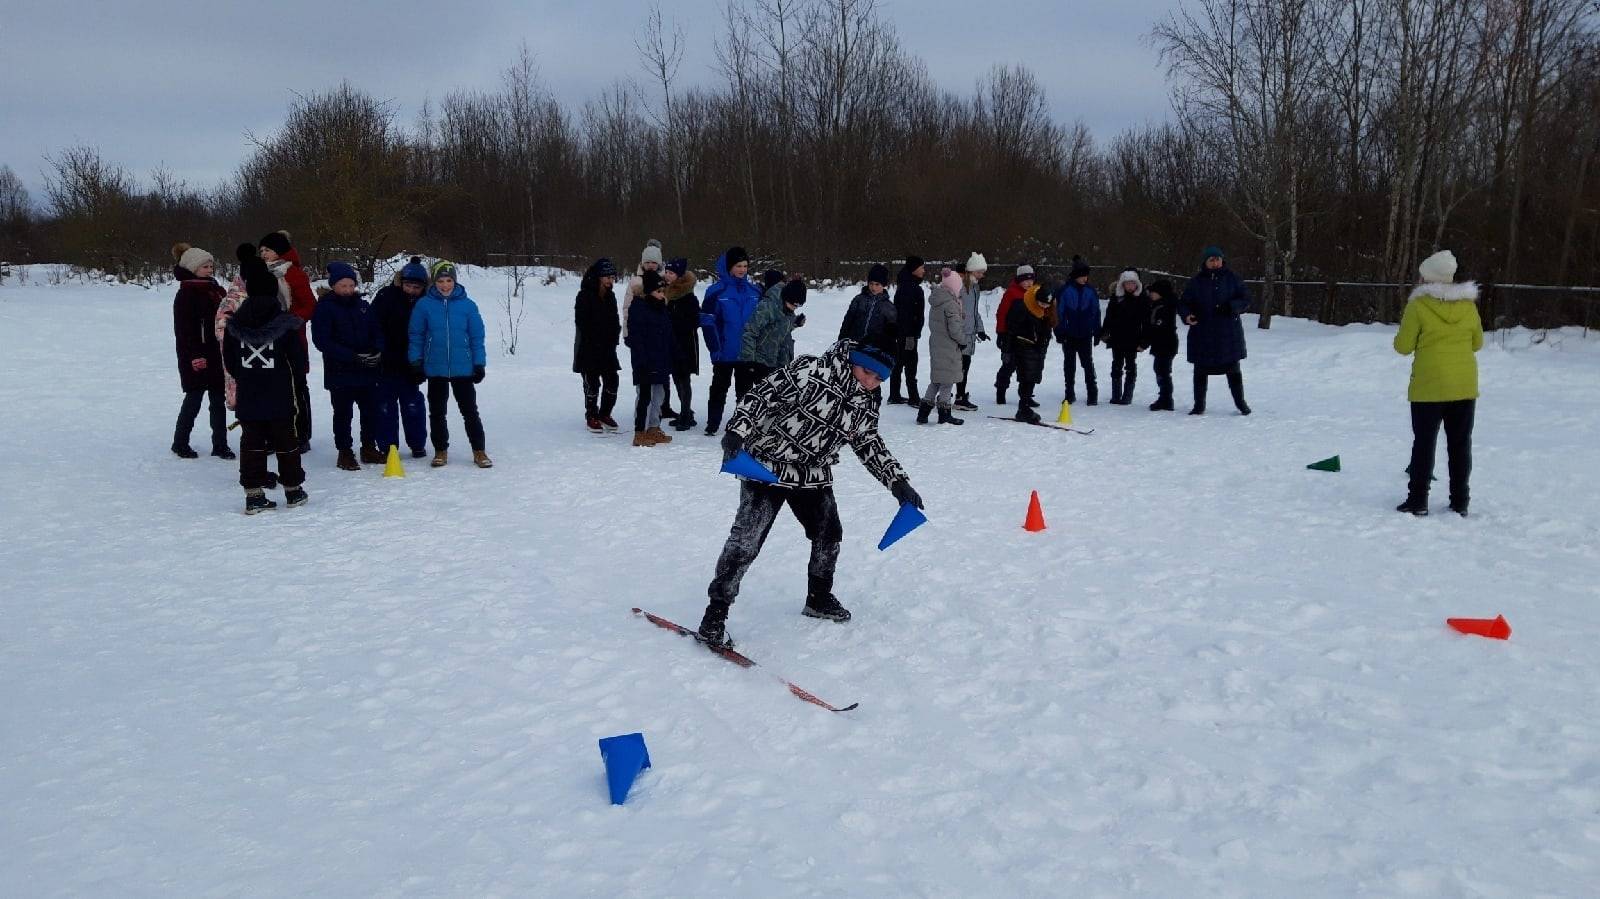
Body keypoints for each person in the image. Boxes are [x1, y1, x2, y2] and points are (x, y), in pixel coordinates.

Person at [697, 340, 923, 649]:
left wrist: (898, 483)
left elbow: (868, 441)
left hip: (811, 473)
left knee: (829, 534)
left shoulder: (867, 401)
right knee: (746, 540)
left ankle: (818, 597)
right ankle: (715, 615)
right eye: (867, 372)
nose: (871, 382)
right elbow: (761, 396)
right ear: (852, 361)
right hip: (767, 463)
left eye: (878, 379)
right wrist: (737, 430)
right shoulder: (811, 371)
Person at [1394, 250, 1482, 516]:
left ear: (1427, 277)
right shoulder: (1468, 305)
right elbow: (1477, 343)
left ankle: (1418, 500)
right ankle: (1460, 502)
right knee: (1460, 444)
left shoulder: (1418, 306)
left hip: (1428, 386)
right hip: (1464, 386)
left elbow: (1403, 346)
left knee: (1424, 443)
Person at [222, 243, 308, 514]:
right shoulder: (284, 324)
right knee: (286, 442)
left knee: (252, 444)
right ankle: (293, 490)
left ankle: (254, 494)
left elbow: (231, 361)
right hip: (279, 395)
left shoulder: (235, 325)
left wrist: (246, 377)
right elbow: (296, 360)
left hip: (249, 395)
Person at [408, 260, 491, 468]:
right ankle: (440, 450)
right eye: (440, 281)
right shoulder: (424, 305)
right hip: (435, 368)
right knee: (437, 412)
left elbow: (476, 337)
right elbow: (416, 335)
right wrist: (416, 361)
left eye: (448, 280)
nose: (445, 285)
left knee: (470, 411)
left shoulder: (468, 305)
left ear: (454, 280)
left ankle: (479, 450)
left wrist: (479, 363)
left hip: (463, 368)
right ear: (434, 282)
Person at [312, 262, 383, 470]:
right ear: (334, 286)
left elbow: (377, 330)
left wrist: (377, 350)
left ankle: (369, 447)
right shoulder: (325, 307)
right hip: (340, 372)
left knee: (370, 411)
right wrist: (352, 356)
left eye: (351, 285)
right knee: (343, 414)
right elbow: (322, 341)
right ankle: (344, 451)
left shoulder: (363, 305)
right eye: (343, 285)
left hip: (367, 370)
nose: (348, 290)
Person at [170, 242, 233, 460]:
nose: (210, 269)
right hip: (195, 355)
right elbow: (184, 330)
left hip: (216, 353)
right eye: (205, 266)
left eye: (210, 266)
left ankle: (220, 444)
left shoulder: (214, 289)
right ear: (192, 268)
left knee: (218, 400)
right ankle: (180, 442)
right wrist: (195, 355)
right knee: (194, 399)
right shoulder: (187, 294)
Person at [257, 230, 317, 451]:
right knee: (271, 387)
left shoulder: (294, 274)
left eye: (268, 250)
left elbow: (309, 304)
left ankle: (301, 434)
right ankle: (274, 435)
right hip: (266, 338)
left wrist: (291, 321)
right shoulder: (258, 273)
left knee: (297, 386)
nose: (263, 254)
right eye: (261, 250)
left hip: (291, 337)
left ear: (280, 252)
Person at [1177, 246, 1252, 415]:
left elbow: (1246, 299)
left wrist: (1232, 307)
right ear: (1205, 262)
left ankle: (1241, 403)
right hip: (1203, 333)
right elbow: (1183, 303)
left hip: (1228, 333)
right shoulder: (1196, 282)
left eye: (1217, 259)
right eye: (1211, 260)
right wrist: (1187, 315)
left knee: (1233, 371)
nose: (1215, 262)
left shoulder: (1233, 278)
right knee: (1200, 372)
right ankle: (1199, 405)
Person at [369, 257, 430, 458]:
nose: (411, 290)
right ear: (401, 282)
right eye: (408, 285)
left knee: (413, 405)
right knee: (385, 406)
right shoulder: (386, 296)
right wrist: (378, 350)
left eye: (416, 287)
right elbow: (373, 324)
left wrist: (422, 363)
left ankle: (417, 443)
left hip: (411, 364)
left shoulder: (426, 303)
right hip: (386, 361)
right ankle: (388, 446)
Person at [699, 246, 763, 435]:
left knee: (745, 391)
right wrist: (714, 348)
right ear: (728, 267)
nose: (742, 270)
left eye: (745, 265)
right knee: (719, 388)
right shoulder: (716, 291)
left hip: (747, 352)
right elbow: (707, 322)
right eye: (738, 266)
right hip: (724, 351)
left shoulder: (755, 291)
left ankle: (741, 426)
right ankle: (712, 424)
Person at [626, 270, 678, 447]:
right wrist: (641, 361)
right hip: (646, 362)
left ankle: (654, 427)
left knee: (659, 396)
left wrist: (672, 354)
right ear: (648, 291)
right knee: (645, 397)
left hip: (661, 361)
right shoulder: (638, 308)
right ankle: (640, 431)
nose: (662, 295)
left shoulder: (662, 309)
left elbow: (668, 335)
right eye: (658, 291)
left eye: (663, 291)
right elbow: (636, 338)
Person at [573, 257, 623, 433]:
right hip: (589, 348)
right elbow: (582, 322)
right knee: (592, 384)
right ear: (598, 277)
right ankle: (592, 415)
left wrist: (614, 338)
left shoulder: (611, 296)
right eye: (607, 277)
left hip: (608, 349)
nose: (611, 281)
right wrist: (596, 339)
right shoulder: (585, 295)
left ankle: (605, 413)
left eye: (612, 277)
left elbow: (615, 319)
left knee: (612, 382)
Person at [918, 267, 968, 425]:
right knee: (947, 382)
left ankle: (923, 413)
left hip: (937, 344)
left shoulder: (937, 301)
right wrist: (963, 340)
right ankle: (944, 414)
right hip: (948, 347)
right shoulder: (951, 304)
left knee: (936, 380)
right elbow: (954, 329)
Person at [1006, 280, 1057, 423]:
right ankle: (1023, 408)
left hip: (1038, 348)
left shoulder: (1048, 308)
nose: (1044, 306)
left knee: (1033, 376)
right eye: (1042, 304)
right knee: (1026, 377)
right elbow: (1012, 327)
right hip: (1023, 345)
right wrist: (1007, 349)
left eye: (1047, 304)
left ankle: (1025, 405)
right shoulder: (1022, 306)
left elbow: (1048, 326)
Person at [739, 277, 807, 382]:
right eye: (794, 304)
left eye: (799, 305)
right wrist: (749, 360)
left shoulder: (788, 310)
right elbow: (750, 332)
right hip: (760, 362)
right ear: (786, 297)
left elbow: (778, 330)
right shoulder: (767, 307)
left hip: (778, 362)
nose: (795, 307)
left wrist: (795, 323)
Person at [1054, 259, 1101, 406]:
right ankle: (1069, 393)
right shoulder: (1065, 291)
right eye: (1082, 276)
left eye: (1086, 276)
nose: (1084, 278)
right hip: (1069, 334)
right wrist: (1059, 331)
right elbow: (1058, 313)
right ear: (1075, 276)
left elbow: (1095, 312)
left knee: (1087, 364)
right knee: (1069, 365)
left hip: (1085, 334)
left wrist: (1097, 331)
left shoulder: (1090, 291)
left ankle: (1092, 393)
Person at [663, 258, 701, 431]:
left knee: (684, 378)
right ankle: (686, 412)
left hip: (685, 343)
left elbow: (693, 320)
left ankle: (686, 414)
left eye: (671, 273)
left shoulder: (688, 297)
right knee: (676, 377)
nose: (667, 275)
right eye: (667, 272)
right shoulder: (666, 292)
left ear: (678, 276)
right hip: (672, 342)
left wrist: (675, 322)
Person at [1101, 269, 1147, 405]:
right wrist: (1104, 332)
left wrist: (1144, 342)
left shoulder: (1141, 299)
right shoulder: (1116, 298)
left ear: (1137, 284)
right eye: (1127, 283)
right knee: (1116, 365)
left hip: (1133, 339)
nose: (1130, 286)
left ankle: (1127, 395)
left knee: (1130, 366)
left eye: (1133, 283)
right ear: (1122, 284)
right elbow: (1109, 317)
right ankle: (1116, 394)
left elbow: (1146, 322)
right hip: (1117, 338)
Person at [993, 264, 1034, 406]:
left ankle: (1026, 396)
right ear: (1019, 280)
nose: (1029, 283)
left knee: (1027, 367)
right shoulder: (1011, 293)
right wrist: (1001, 333)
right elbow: (1001, 314)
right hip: (1011, 336)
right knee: (1008, 365)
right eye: (1025, 280)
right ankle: (1001, 391)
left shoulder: (1034, 293)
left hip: (1027, 337)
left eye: (1031, 280)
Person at [888, 256, 926, 405]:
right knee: (910, 363)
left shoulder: (905, 284)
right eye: (921, 267)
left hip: (903, 332)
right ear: (914, 269)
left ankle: (895, 394)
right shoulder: (911, 288)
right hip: (907, 333)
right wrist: (911, 332)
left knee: (899, 362)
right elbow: (907, 313)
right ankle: (913, 397)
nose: (924, 270)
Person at [955, 253, 990, 412]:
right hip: (959, 333)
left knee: (965, 365)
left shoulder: (975, 287)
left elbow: (974, 312)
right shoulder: (960, 286)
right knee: (957, 366)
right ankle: (954, 397)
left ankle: (960, 396)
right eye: (980, 271)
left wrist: (980, 330)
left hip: (969, 333)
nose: (982, 275)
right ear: (971, 270)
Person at [838, 263, 897, 348]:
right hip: (853, 345)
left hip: (873, 349)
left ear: (884, 285)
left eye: (877, 284)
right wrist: (841, 341)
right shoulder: (859, 300)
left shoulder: (889, 307)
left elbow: (891, 334)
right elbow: (847, 322)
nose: (873, 287)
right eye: (871, 283)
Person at [1144, 279, 1180, 411]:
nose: (1151, 294)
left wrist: (1147, 340)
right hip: (1160, 344)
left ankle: (1166, 399)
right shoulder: (1156, 304)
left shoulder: (1166, 306)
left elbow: (1158, 327)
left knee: (1163, 371)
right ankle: (1164, 397)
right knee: (1160, 370)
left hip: (1166, 344)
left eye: (1153, 292)